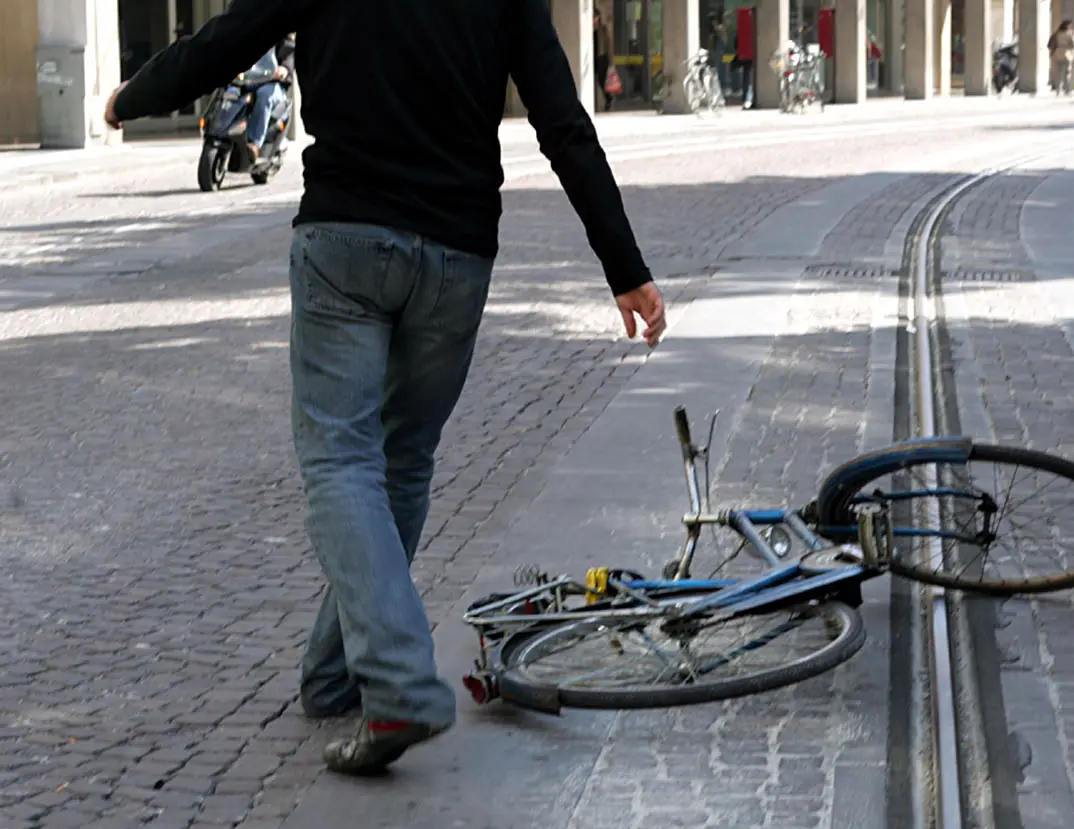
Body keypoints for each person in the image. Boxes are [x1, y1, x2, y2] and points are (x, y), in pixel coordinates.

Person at [102, 0, 666, 776]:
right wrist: (624, 267)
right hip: (456, 258)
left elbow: (221, 43)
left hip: (346, 242)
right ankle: (338, 674)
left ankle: (398, 682)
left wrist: (130, 97)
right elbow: (562, 122)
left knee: (340, 461)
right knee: (399, 462)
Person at [245, 34, 295, 163]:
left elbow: (289, 52)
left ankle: (254, 144)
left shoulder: (282, 34)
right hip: (249, 80)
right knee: (230, 91)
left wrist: (284, 68)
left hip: (273, 82)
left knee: (264, 94)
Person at [593, 9, 615, 112]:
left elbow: (608, 45)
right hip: (592, 58)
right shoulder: (589, 29)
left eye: (595, 17)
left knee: (601, 80)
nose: (594, 19)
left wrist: (610, 61)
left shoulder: (603, 29)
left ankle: (608, 98)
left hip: (602, 57)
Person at [1049, 20, 1074, 95]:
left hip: (1058, 53)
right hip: (1067, 54)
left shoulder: (1057, 33)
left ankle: (1058, 89)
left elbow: (1051, 42)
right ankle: (1067, 89)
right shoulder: (1069, 34)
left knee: (1058, 72)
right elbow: (1073, 43)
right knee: (1067, 72)